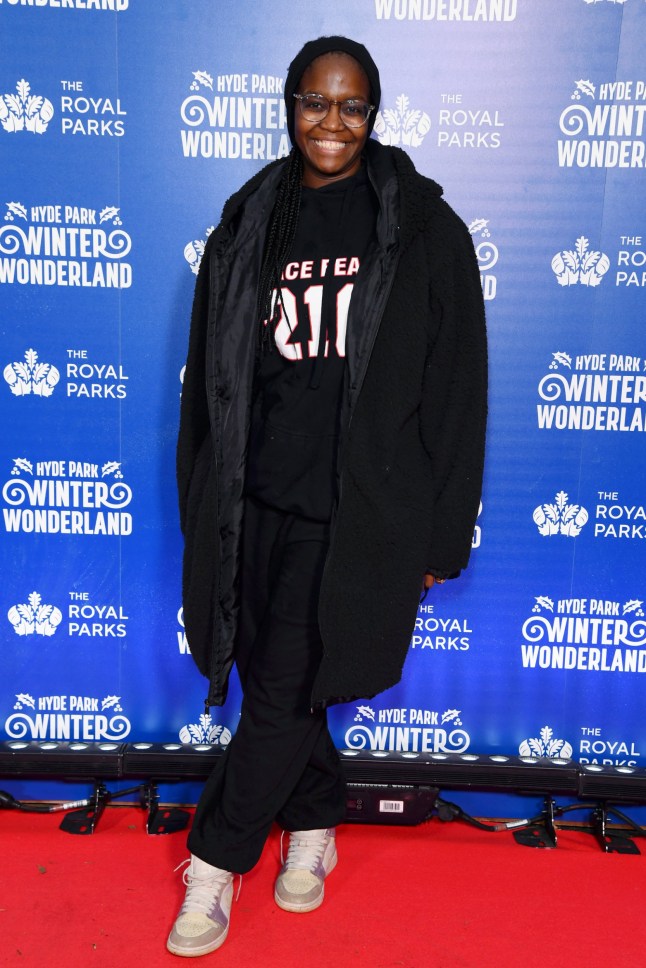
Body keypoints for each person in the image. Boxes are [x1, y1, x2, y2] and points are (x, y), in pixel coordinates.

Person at [170, 35, 487, 957]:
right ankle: (314, 819)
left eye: (352, 106)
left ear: (374, 115)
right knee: (286, 681)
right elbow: (212, 375)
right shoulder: (250, 218)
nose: (332, 123)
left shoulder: (425, 229)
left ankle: (214, 863)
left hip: (356, 514)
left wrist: (439, 534)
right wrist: (201, 490)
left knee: (276, 690)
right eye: (316, 102)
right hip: (252, 498)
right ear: (290, 105)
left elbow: (459, 391)